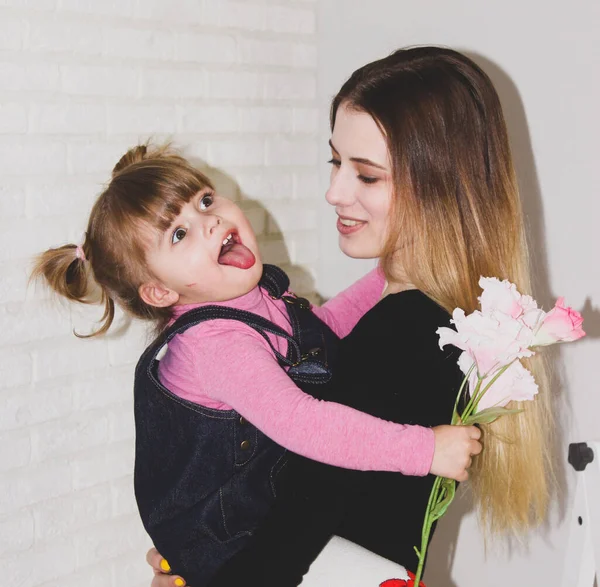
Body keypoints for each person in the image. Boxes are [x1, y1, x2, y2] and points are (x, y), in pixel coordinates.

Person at [146, 45, 554, 586]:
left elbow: (294, 533)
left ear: (438, 185)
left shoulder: (405, 329)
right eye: (335, 161)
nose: (334, 191)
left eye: (366, 175)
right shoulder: (452, 321)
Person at [30, 143, 480, 585]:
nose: (211, 222)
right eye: (179, 234)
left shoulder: (256, 297)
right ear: (161, 293)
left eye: (205, 201)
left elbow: (321, 332)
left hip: (261, 515)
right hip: (230, 542)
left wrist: (390, 272)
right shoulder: (214, 344)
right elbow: (302, 423)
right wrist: (424, 451)